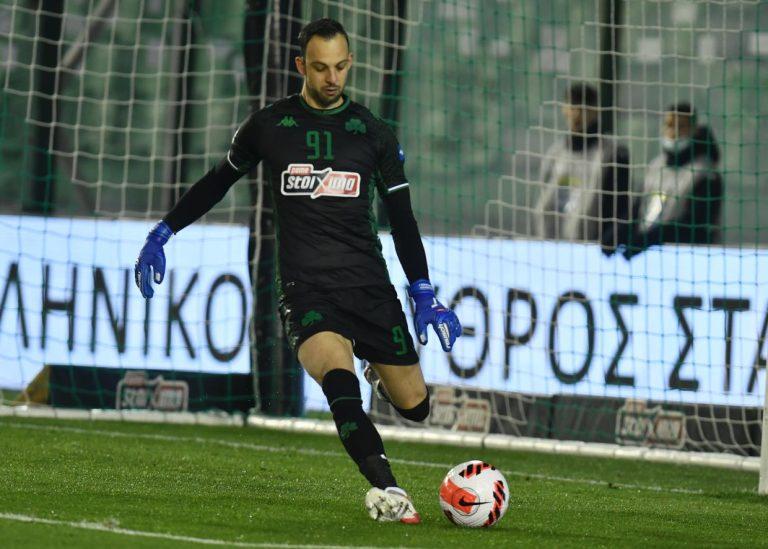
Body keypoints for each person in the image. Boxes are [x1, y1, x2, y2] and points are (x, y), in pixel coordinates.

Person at [133, 18, 461, 523]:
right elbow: (216, 182)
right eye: (321, 68)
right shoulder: (269, 127)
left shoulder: (373, 134)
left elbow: (403, 219)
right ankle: (389, 489)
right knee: (338, 383)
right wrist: (163, 232)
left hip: (369, 287)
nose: (332, 78)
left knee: (416, 406)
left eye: (340, 67)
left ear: (350, 64)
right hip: (307, 290)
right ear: (301, 66)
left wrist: (422, 290)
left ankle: (376, 369)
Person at [534, 83, 631, 253]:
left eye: (584, 108)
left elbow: (619, 208)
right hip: (552, 249)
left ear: (596, 111)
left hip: (591, 249)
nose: (577, 114)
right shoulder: (555, 154)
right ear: (564, 109)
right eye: (573, 106)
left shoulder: (612, 154)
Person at [623, 102, 722, 259]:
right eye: (669, 125)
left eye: (680, 127)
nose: (673, 132)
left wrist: (651, 238)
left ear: (695, 130)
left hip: (686, 257)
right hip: (645, 256)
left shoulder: (706, 173)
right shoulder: (656, 166)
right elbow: (637, 208)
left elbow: (696, 226)